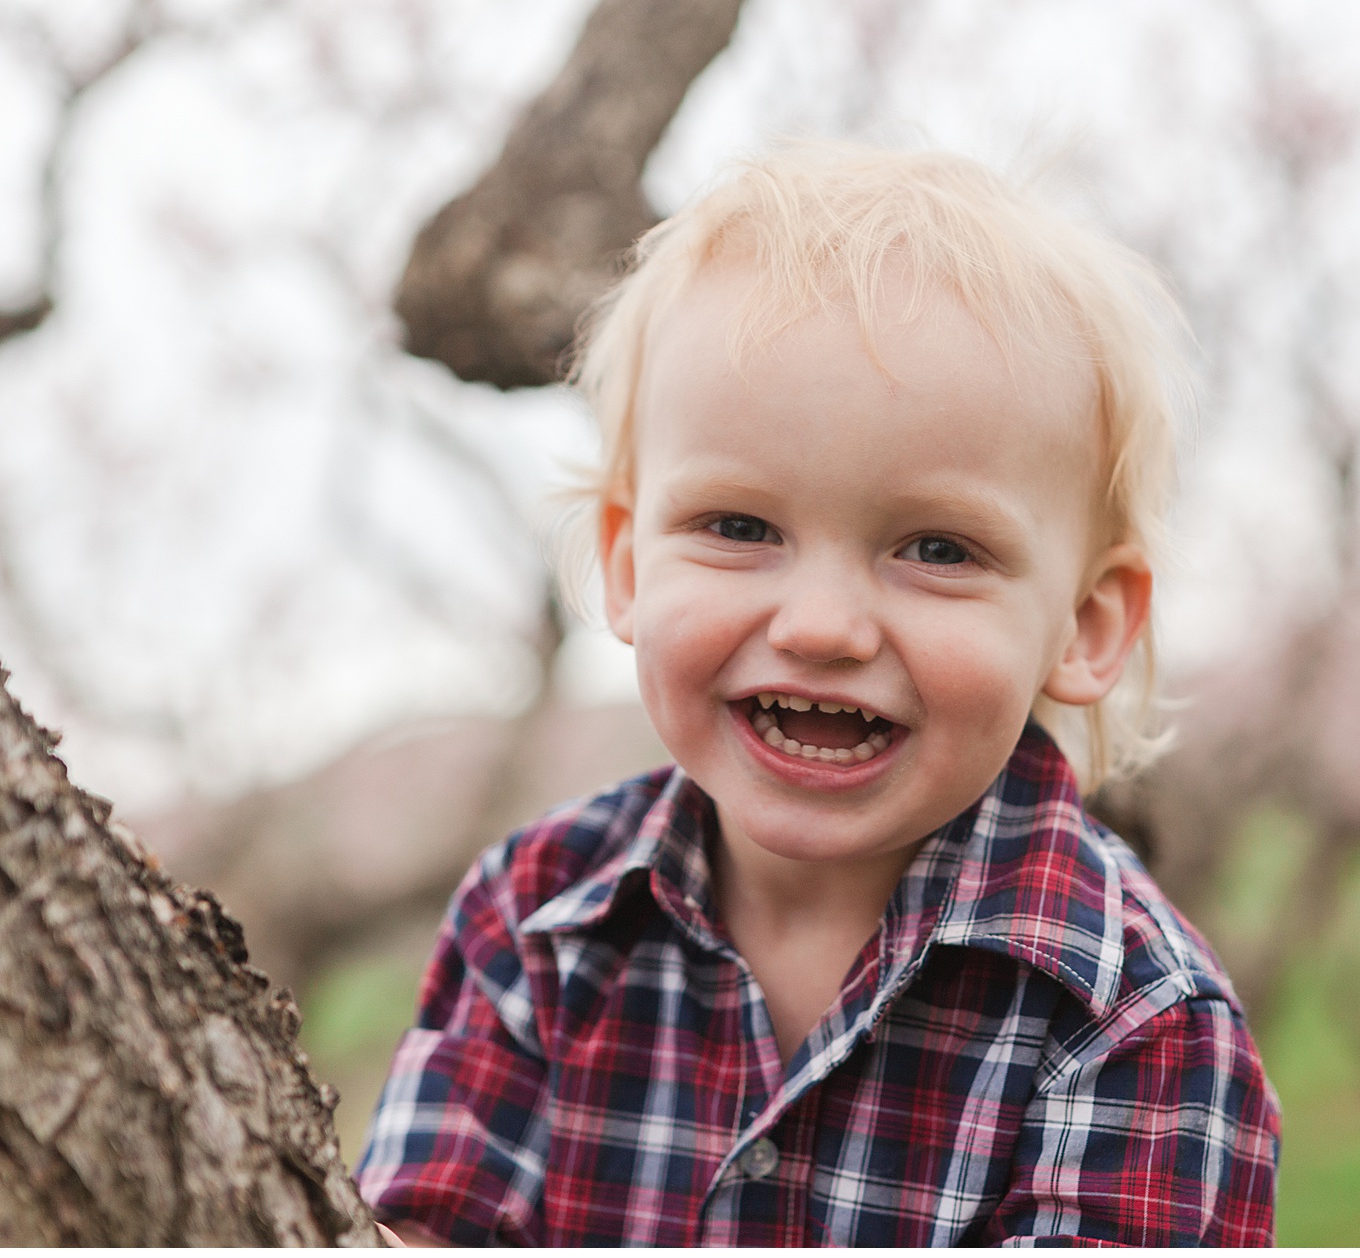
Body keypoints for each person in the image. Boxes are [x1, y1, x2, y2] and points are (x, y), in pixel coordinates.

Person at [356, 142, 1280, 1247]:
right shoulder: (536, 919)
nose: (821, 626)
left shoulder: (1133, 1021)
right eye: (740, 528)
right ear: (626, 563)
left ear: (1084, 628)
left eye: (936, 547)